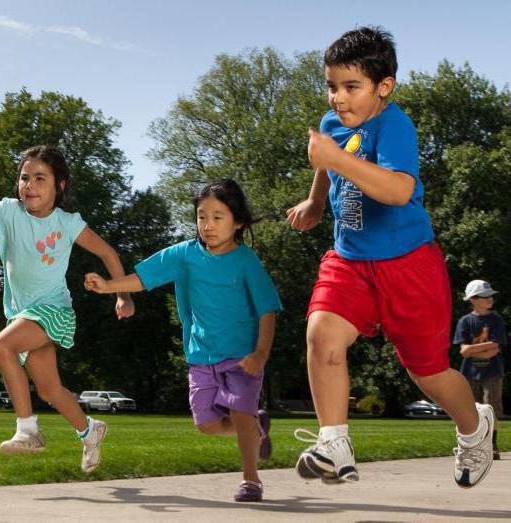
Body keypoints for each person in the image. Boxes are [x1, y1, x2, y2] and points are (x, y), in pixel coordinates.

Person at [286, 26, 494, 488]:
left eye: (351, 87)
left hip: (409, 264)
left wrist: (334, 160)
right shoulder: (331, 124)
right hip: (350, 259)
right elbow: (326, 163)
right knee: (321, 334)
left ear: (384, 87)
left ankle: (474, 427)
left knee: (430, 373)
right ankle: (333, 441)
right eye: (332, 85)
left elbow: (399, 190)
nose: (338, 98)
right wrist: (316, 203)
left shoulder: (394, 125)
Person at [84, 179, 282, 502]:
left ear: (239, 222)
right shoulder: (184, 256)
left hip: (242, 355)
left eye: (218, 217)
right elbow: (143, 278)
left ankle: (251, 480)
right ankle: (255, 428)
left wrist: (261, 352)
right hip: (201, 355)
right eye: (202, 216)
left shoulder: (246, 262)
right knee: (205, 423)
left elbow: (268, 309)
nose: (208, 225)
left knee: (241, 413)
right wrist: (108, 287)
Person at [0, 145, 134, 473]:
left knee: (1, 347)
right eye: (24, 178)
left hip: (53, 309)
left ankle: (27, 431)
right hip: (22, 314)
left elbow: (108, 254)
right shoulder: (7, 211)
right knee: (49, 390)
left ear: (59, 185)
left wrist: (122, 295)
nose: (29, 185)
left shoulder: (67, 223)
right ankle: (90, 430)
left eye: (39, 178)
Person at [454, 280, 506, 460]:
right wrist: (483, 349)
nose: (489, 299)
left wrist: (472, 349)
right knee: (470, 410)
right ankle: (474, 445)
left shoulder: (496, 319)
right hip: (470, 373)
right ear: (472, 299)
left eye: (490, 296)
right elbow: (463, 351)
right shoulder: (465, 321)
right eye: (484, 296)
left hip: (492, 372)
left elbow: (495, 348)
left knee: (491, 409)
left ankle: (492, 445)